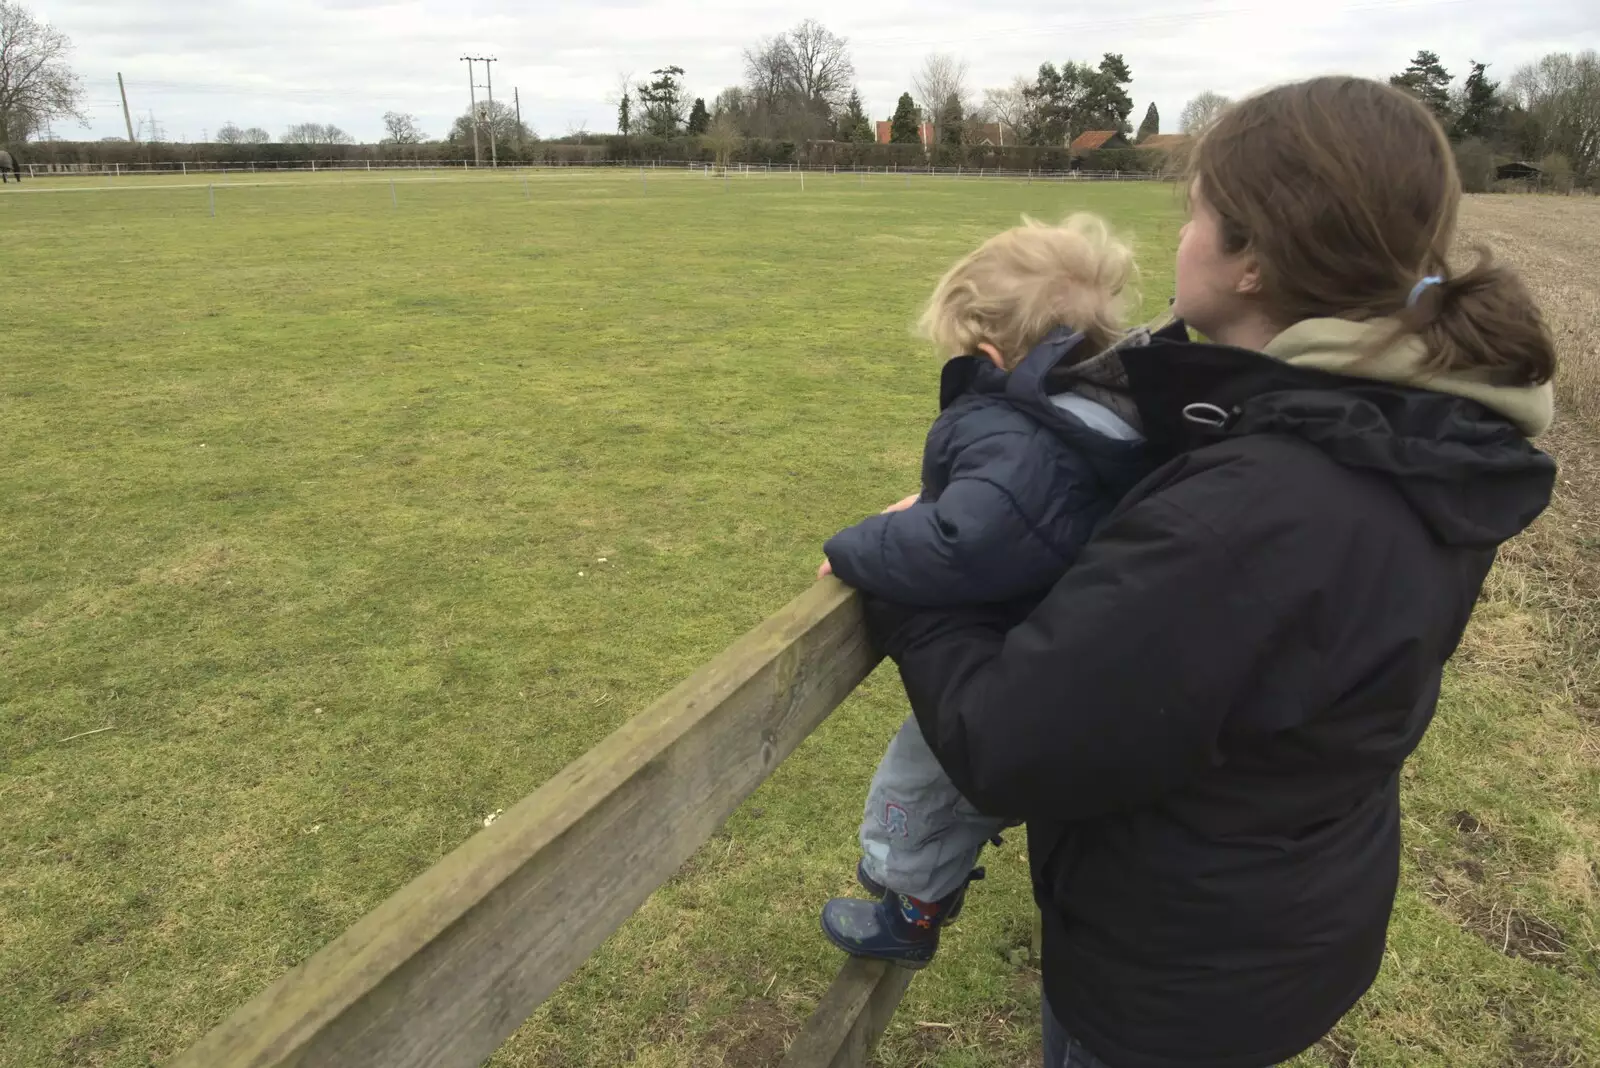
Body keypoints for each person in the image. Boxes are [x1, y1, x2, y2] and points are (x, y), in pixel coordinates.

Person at [852, 77, 1558, 1067]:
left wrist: (910, 578)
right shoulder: (1419, 432)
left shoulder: (1253, 510)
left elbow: (1006, 741)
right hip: (1286, 917)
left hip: (1171, 978)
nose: (1178, 239)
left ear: (1254, 260)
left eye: (1193, 215)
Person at [815, 214, 1162, 967]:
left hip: (1008, 658)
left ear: (990, 352)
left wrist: (854, 547)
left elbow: (963, 540)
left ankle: (910, 908)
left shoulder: (1013, 433)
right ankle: (925, 877)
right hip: (1057, 649)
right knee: (945, 784)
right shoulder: (1103, 414)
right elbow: (1011, 515)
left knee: (923, 774)